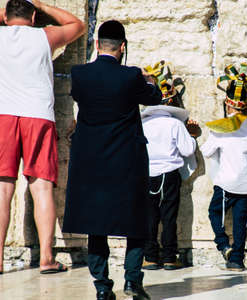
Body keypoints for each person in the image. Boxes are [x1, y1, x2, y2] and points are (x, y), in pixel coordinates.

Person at [62, 20, 161, 300]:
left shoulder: (79, 74)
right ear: (123, 47)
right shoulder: (131, 77)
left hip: (90, 162)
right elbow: (154, 97)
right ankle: (132, 281)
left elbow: (83, 98)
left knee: (97, 224)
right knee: (135, 221)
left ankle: (103, 287)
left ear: (96, 44)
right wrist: (148, 80)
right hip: (125, 161)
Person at [0, 0, 85, 275]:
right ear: (34, 15)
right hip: (38, 115)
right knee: (42, 188)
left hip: (3, 115)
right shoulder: (44, 36)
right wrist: (43, 6)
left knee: (2, 190)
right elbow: (78, 25)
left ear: (6, 15)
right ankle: (47, 258)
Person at [201, 63, 247, 272]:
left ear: (228, 106)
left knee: (214, 213)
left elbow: (206, 151)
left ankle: (223, 245)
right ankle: (237, 260)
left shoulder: (221, 128)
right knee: (241, 223)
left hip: (226, 182)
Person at [140, 62, 201, 271]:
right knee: (169, 217)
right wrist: (192, 136)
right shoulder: (175, 124)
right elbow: (187, 151)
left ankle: (149, 257)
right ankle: (168, 257)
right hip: (169, 174)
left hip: (147, 174)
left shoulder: (143, 124)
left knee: (149, 216)